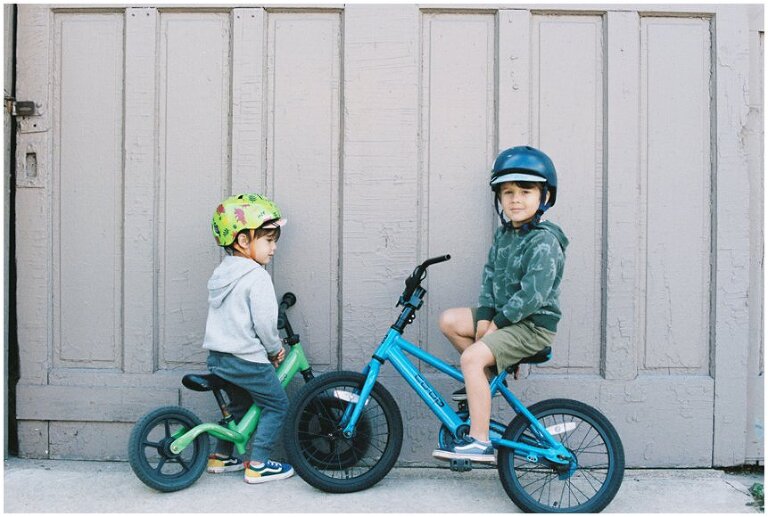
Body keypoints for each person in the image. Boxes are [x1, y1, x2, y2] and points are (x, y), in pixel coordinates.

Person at [432, 146, 569, 464]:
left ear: (545, 196)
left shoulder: (545, 240)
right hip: (507, 319)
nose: (515, 199)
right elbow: (490, 279)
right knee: (449, 320)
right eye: (508, 192)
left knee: (470, 359)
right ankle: (491, 373)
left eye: (525, 191)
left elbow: (533, 295)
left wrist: (496, 326)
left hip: (532, 325)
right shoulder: (505, 235)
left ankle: (479, 441)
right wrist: (484, 319)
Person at [202, 193, 295, 484]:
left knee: (239, 407)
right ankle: (259, 463)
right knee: (277, 405)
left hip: (219, 358)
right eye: (268, 240)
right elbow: (265, 324)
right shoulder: (257, 276)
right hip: (246, 359)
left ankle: (221, 456)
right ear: (243, 241)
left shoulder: (222, 273)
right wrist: (275, 349)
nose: (274, 248)